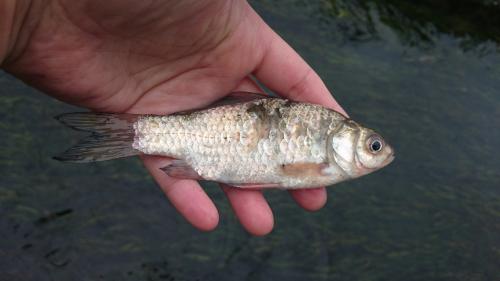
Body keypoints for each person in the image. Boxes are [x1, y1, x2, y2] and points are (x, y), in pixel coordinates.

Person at [0, 0, 346, 235]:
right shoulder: (323, 160)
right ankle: (136, 134)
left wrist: (27, 14)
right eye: (373, 146)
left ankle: (133, 135)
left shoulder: (323, 149)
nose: (378, 152)